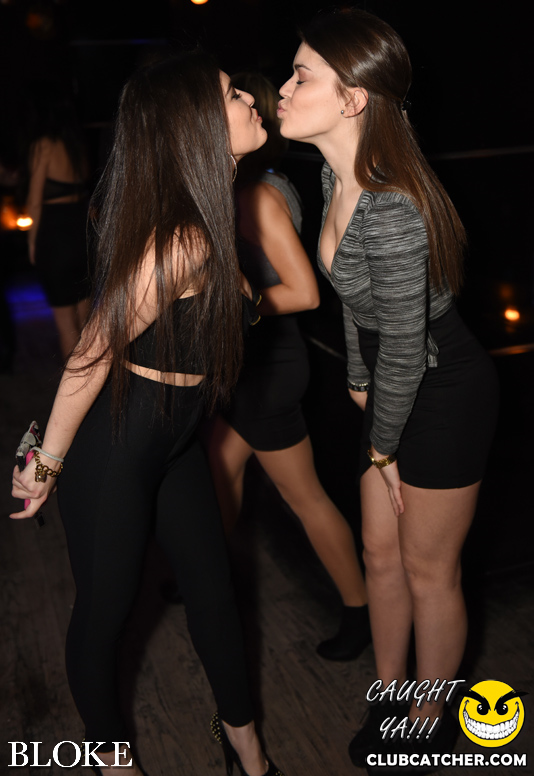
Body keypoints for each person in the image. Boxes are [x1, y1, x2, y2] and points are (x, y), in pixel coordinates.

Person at [11, 51, 284, 776]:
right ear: (196, 125)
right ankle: (113, 762)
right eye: (232, 94)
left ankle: (248, 752)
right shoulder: (186, 237)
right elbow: (89, 354)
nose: (249, 99)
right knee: (103, 619)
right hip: (118, 447)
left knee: (214, 592)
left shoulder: (218, 209)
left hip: (176, 441)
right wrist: (45, 465)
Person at [277, 8, 498, 772]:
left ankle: (429, 719)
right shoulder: (333, 175)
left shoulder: (391, 205)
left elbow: (407, 344)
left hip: (443, 389)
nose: (283, 89)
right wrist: (357, 381)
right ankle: (391, 694)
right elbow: (353, 303)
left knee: (429, 568)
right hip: (393, 384)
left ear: (353, 99)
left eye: (300, 75)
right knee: (379, 553)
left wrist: (380, 447)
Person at [205, 71, 370, 661]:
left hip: (270, 367)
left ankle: (360, 609)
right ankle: (206, 577)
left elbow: (304, 292)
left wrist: (227, 306)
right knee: (221, 470)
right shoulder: (255, 184)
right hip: (254, 363)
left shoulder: (258, 196)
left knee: (304, 498)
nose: (256, 105)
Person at [23, 81, 92, 360]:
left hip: (55, 238)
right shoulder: (78, 145)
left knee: (66, 326)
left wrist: (32, 243)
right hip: (82, 235)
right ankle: (95, 382)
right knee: (85, 323)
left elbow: (34, 201)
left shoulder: (44, 145)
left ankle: (76, 387)